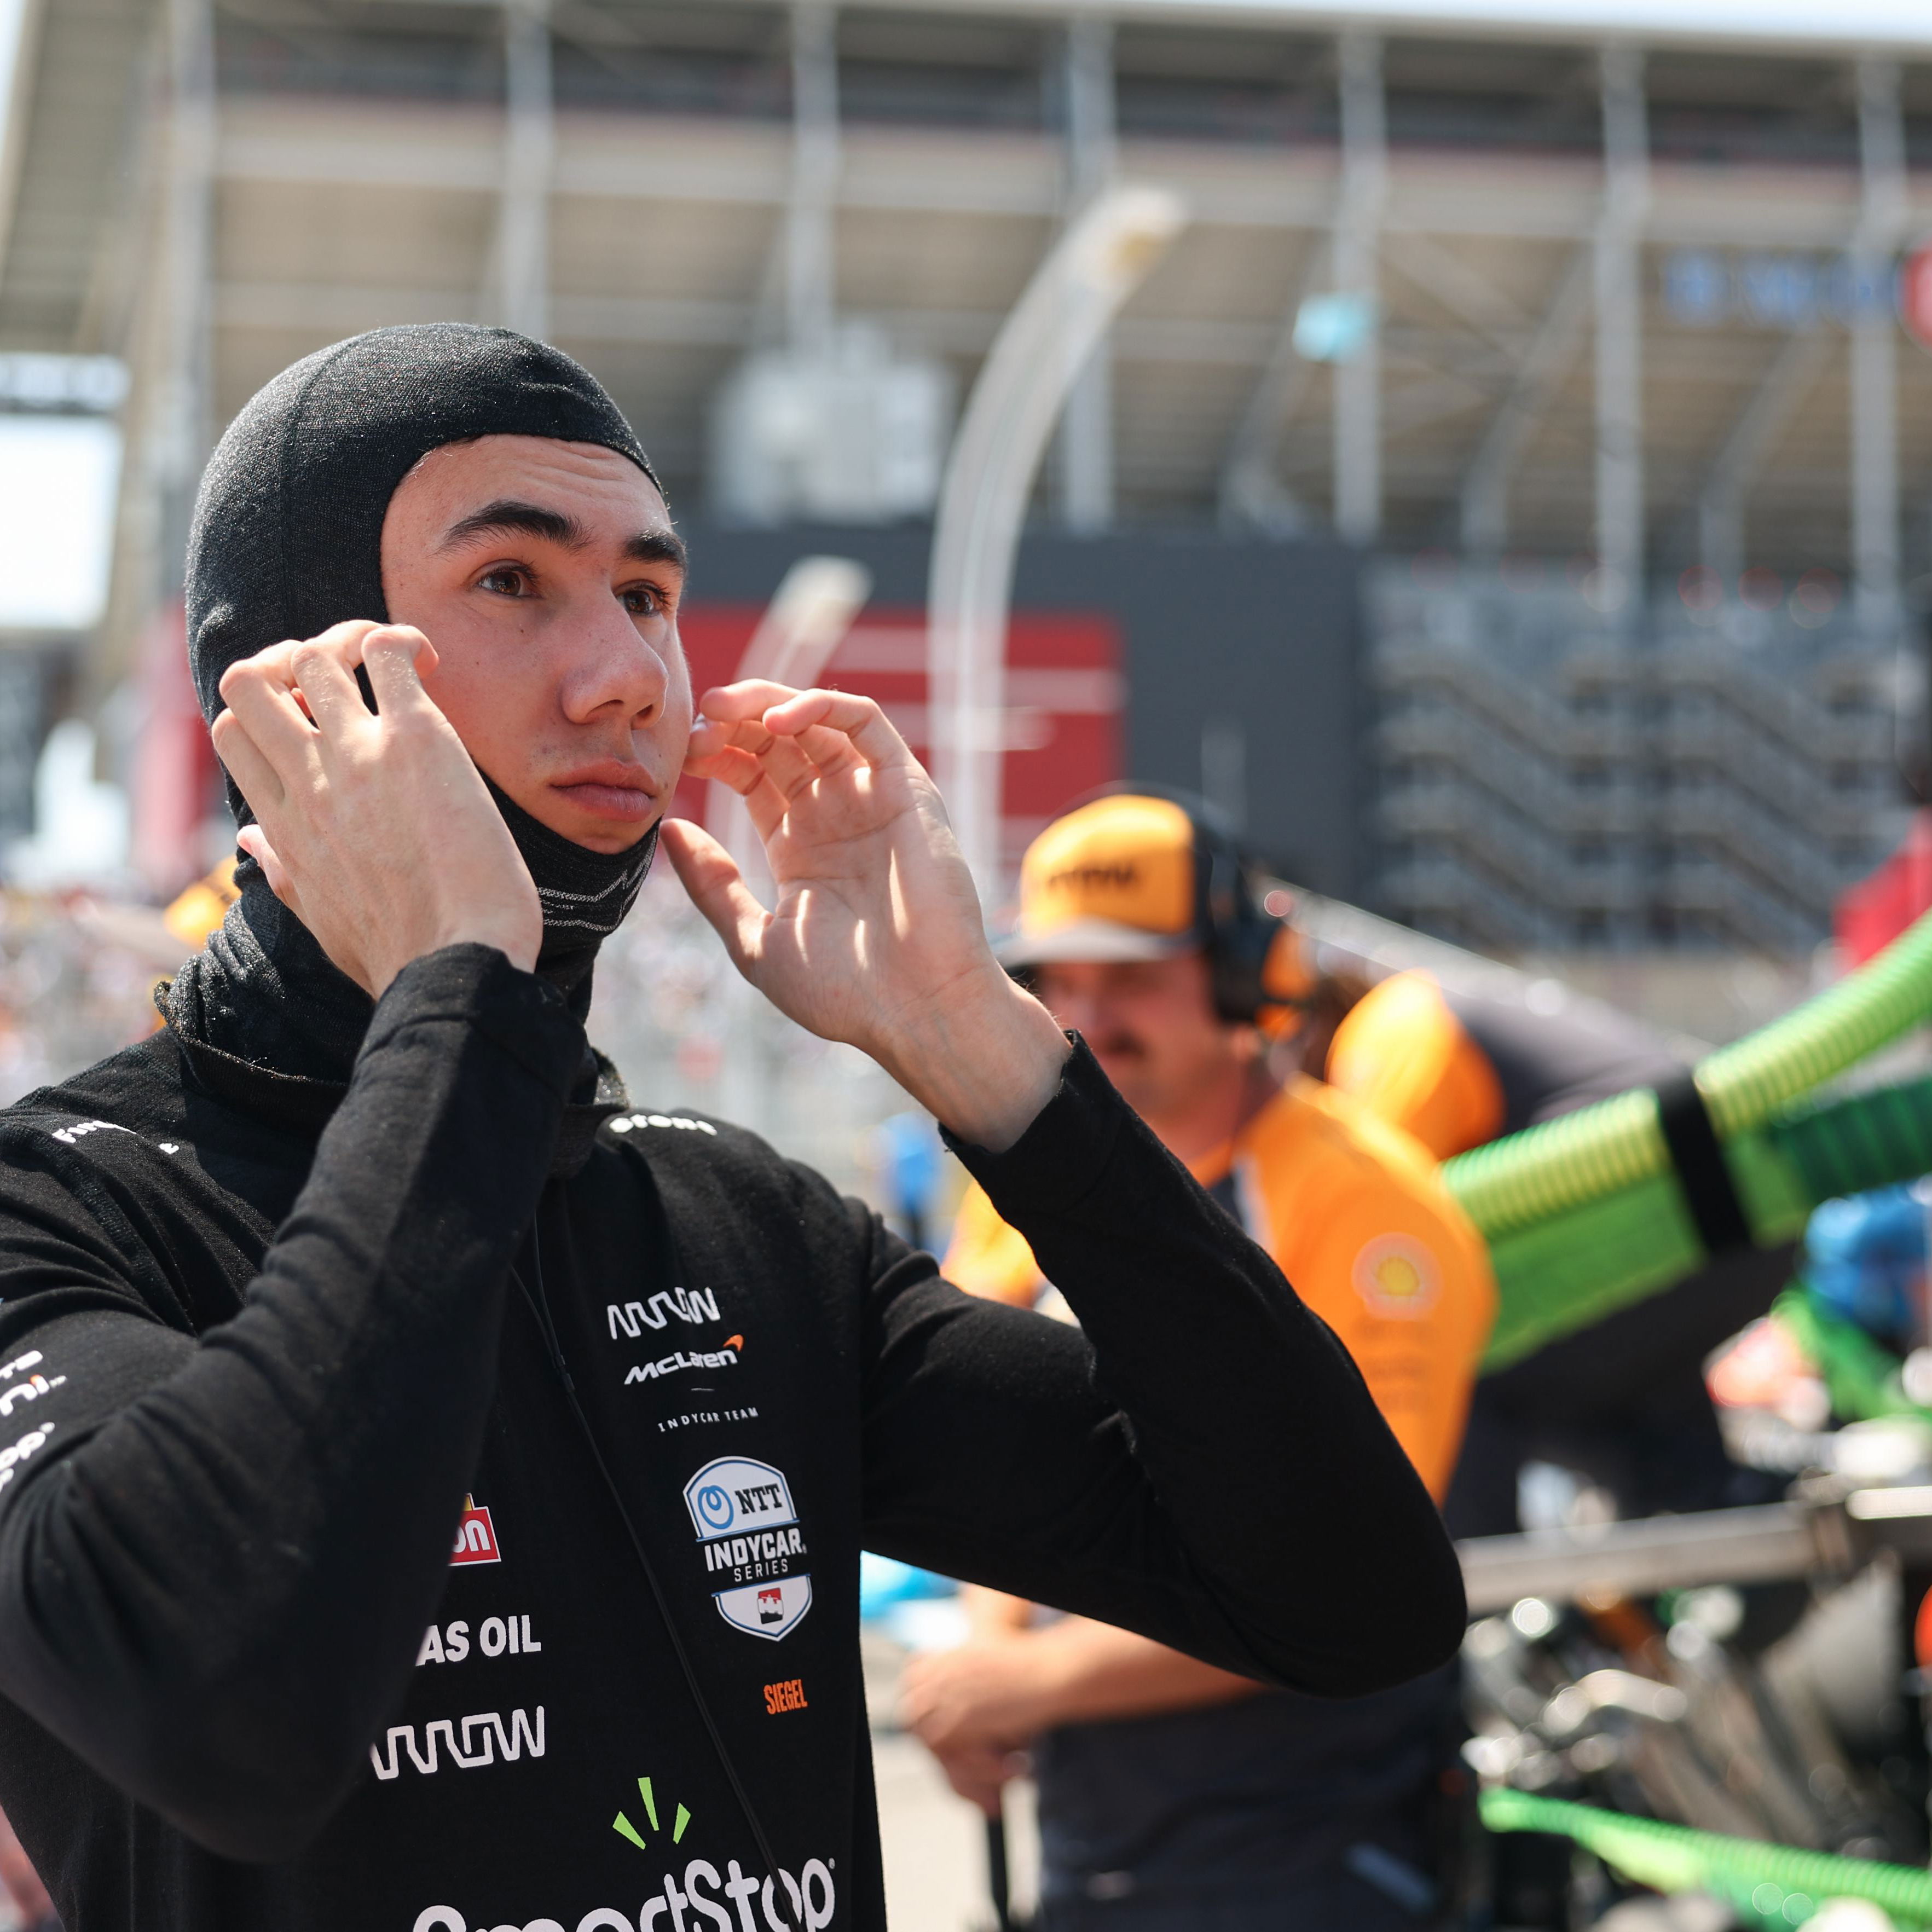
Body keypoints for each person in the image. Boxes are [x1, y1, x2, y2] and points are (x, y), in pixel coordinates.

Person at [0, 326, 1466, 1932]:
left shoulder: (732, 1225)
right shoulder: (62, 1214)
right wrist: (455, 994)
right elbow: (235, 1714)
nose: (626, 672)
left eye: (645, 594)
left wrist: (992, 1061)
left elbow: (1352, 1596)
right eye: (510, 580)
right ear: (287, 681)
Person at [910, 791, 1495, 1930]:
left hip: (1312, 1845)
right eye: (1058, 980)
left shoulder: (1371, 1207)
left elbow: (1347, 1571)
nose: (1085, 1015)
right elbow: (980, 1445)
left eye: (1130, 977)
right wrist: (988, 1665)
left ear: (1239, 977)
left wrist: (1024, 1684)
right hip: (1097, 1833)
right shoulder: (1015, 1185)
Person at [1314, 966, 1791, 1535]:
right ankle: (1713, 1511)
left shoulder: (1389, 1023)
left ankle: (1479, 1604)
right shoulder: (1444, 1002)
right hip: (1738, 1223)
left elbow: (1370, 1219)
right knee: (1595, 1395)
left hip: (1666, 1224)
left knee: (1441, 1360)